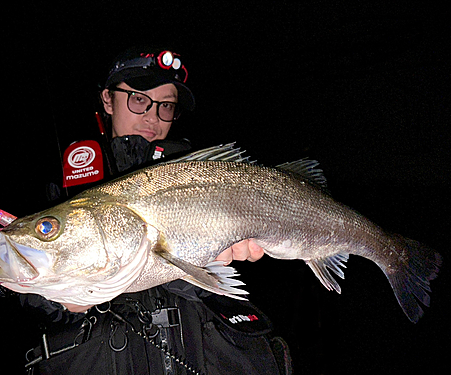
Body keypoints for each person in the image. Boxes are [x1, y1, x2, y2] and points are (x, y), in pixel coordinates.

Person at [23, 46, 292, 375]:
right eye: (139, 99)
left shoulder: (205, 176)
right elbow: (35, 301)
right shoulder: (64, 190)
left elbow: (231, 283)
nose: (152, 116)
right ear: (108, 99)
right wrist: (56, 299)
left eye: (166, 106)